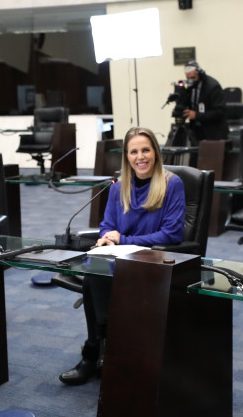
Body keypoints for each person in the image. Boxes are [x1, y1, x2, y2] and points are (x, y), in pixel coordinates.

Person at [59, 127, 186, 385]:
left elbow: (172, 235)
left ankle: (95, 350)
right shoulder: (119, 187)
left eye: (146, 150)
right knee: (93, 271)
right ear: (127, 156)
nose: (141, 157)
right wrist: (106, 238)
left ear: (155, 152)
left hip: (154, 261)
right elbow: (107, 224)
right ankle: (103, 346)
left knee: (94, 277)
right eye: (134, 151)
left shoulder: (172, 184)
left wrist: (124, 240)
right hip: (119, 258)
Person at [181, 60, 228, 141]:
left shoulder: (213, 86)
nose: (191, 81)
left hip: (213, 133)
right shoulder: (190, 86)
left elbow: (219, 112)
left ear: (200, 74)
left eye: (193, 78)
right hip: (197, 132)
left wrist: (197, 115)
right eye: (188, 78)